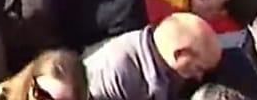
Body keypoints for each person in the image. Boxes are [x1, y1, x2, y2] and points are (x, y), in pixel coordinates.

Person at [83, 13, 221, 100]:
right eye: (199, 68)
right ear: (180, 55)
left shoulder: (168, 68)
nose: (199, 77)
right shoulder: (116, 70)